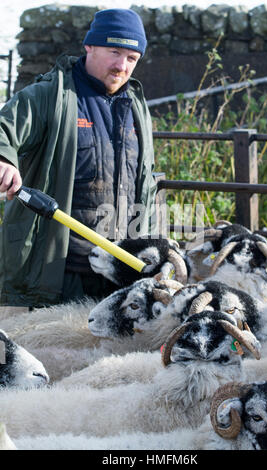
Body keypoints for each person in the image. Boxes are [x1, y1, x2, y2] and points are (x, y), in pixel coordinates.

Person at [0, 8, 157, 308]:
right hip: (59, 274)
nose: (121, 66)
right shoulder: (50, 96)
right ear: (90, 46)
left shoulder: (136, 105)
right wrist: (4, 159)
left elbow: (145, 185)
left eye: (131, 58)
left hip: (118, 275)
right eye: (114, 51)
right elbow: (3, 130)